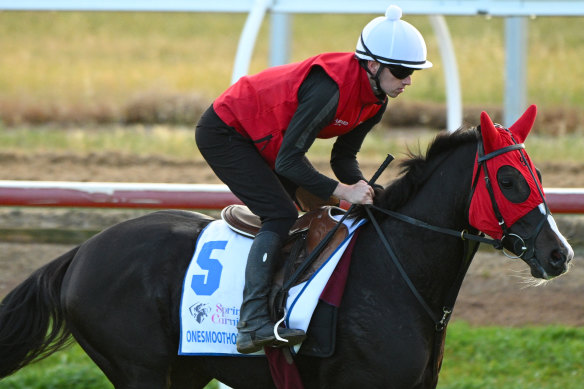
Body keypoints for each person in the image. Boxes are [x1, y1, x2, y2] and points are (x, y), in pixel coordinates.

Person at [195, 4, 432, 354]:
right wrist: (343, 190)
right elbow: (291, 160)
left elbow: (343, 158)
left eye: (412, 73)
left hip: (270, 141)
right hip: (227, 132)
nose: (407, 81)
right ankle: (251, 321)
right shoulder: (329, 90)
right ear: (372, 64)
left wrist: (363, 188)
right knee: (280, 214)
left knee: (325, 209)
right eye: (401, 71)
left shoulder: (377, 100)